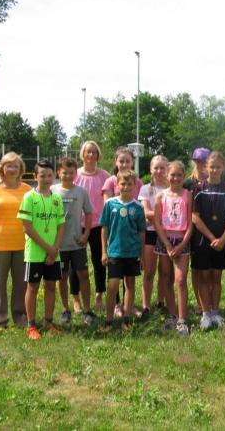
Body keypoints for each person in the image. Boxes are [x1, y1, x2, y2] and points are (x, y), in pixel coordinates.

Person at [0, 152, 32, 331]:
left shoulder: (27, 190)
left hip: (22, 244)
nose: (12, 169)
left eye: (15, 166)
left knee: (21, 283)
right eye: (8, 165)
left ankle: (20, 316)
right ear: (2, 168)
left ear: (20, 169)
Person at [17, 160, 66, 340]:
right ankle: (31, 326)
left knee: (51, 286)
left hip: (54, 252)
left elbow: (61, 225)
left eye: (49, 175)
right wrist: (48, 249)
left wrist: (55, 249)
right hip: (35, 253)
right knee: (33, 287)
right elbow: (27, 227)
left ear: (54, 176)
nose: (46, 179)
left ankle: (48, 322)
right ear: (35, 176)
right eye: (42, 175)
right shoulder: (29, 197)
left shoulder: (56, 198)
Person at [99, 170, 146, 332]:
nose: (126, 187)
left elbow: (141, 232)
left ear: (134, 185)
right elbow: (104, 228)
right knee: (112, 286)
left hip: (132, 253)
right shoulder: (110, 204)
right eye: (123, 184)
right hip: (114, 252)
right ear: (117, 185)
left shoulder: (138, 207)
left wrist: (142, 255)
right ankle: (108, 320)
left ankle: (127, 318)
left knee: (130, 284)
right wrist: (104, 252)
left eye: (129, 184)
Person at [191, 151, 225, 329]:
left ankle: (216, 312)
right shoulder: (198, 188)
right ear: (205, 168)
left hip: (222, 240)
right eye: (212, 167)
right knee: (204, 277)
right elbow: (195, 217)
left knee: (216, 277)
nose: (215, 170)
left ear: (223, 168)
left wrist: (223, 238)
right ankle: (205, 314)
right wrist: (211, 238)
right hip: (203, 240)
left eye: (218, 167)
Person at [51, 157, 96, 326]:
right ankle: (65, 309)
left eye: (71, 173)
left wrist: (86, 234)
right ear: (59, 173)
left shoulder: (81, 191)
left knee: (83, 275)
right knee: (62, 277)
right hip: (59, 245)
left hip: (77, 243)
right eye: (65, 172)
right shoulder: (52, 191)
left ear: (76, 173)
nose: (68, 176)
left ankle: (87, 310)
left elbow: (89, 213)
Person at [154, 161, 194, 336]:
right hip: (165, 241)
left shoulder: (188, 195)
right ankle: (172, 314)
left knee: (180, 280)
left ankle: (182, 319)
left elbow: (191, 224)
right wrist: (168, 244)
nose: (176, 178)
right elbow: (157, 222)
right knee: (166, 277)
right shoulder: (160, 196)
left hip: (182, 240)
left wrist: (182, 244)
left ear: (183, 176)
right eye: (172, 175)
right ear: (166, 175)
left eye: (179, 175)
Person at [73, 141, 111, 314]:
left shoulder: (104, 175)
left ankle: (99, 295)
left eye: (94, 152)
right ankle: (76, 299)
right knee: (76, 264)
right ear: (83, 154)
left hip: (98, 225)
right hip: (77, 225)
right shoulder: (75, 174)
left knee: (99, 262)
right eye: (88, 151)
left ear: (98, 155)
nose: (90, 155)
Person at [138, 155, 170, 318]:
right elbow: (145, 212)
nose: (159, 171)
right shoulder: (145, 189)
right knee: (149, 271)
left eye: (162, 168)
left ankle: (160, 302)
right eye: (156, 168)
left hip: (167, 234)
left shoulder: (172, 189)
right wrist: (165, 215)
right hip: (150, 233)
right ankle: (145, 305)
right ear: (151, 169)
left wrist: (155, 215)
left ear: (167, 169)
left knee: (164, 272)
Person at [185, 147, 211, 316]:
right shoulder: (188, 183)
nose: (201, 164)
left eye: (204, 161)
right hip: (194, 231)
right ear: (194, 162)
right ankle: (200, 304)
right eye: (198, 161)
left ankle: (210, 303)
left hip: (212, 229)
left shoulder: (213, 181)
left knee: (210, 271)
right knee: (196, 269)